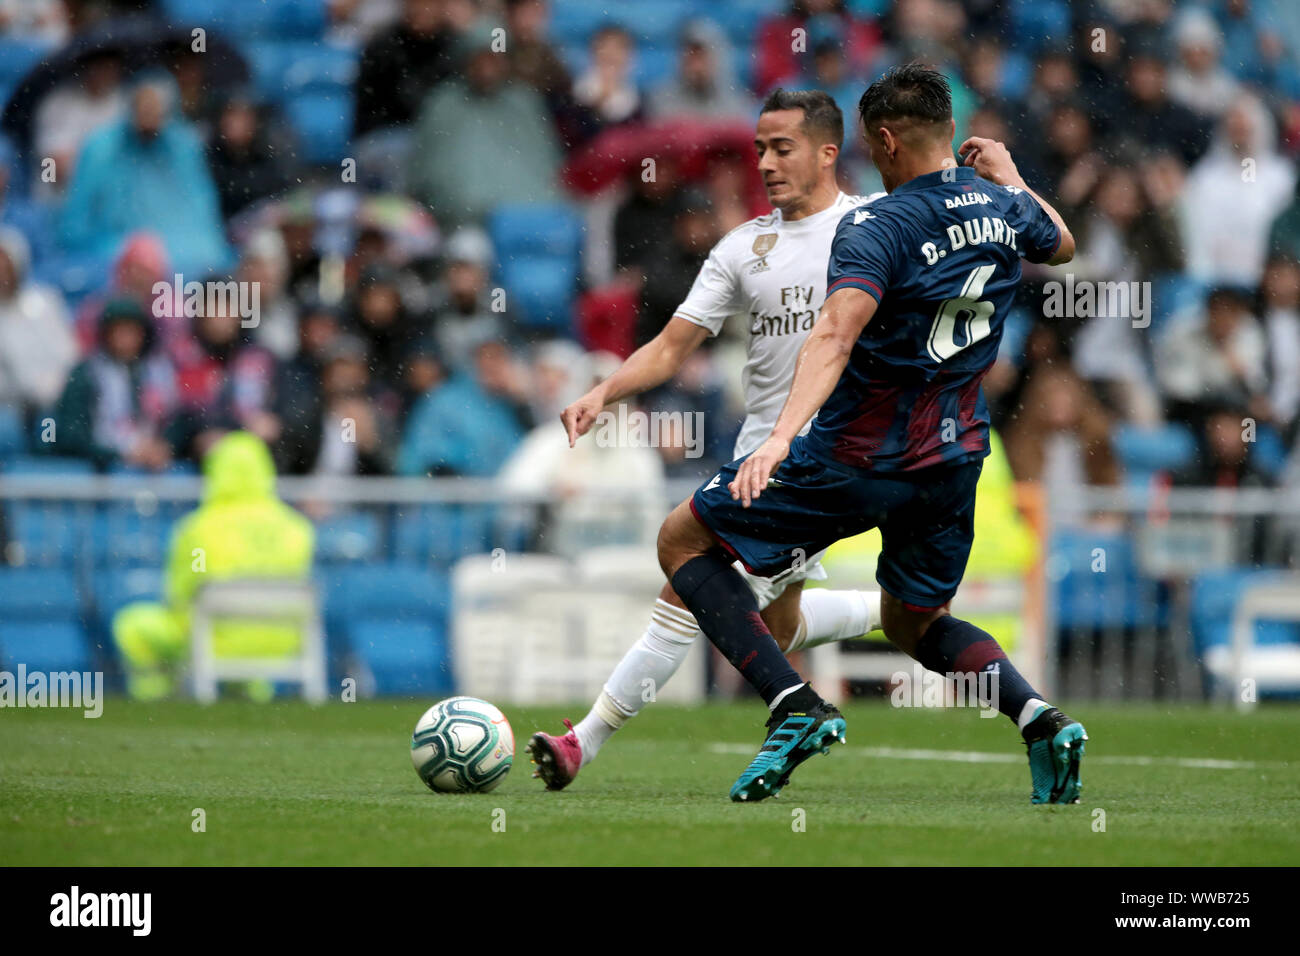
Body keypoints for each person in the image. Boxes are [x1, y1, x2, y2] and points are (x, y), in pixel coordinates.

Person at [653, 65, 1086, 804]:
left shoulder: (877, 223)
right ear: (949, 130)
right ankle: (1039, 717)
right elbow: (1065, 246)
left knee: (682, 540)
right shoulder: (1004, 205)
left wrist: (779, 438)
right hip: (953, 456)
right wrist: (1012, 175)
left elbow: (834, 332)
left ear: (885, 141)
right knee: (915, 622)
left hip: (857, 453)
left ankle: (791, 707)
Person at [527, 90, 887, 791]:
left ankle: (585, 741)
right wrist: (604, 392)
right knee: (770, 627)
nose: (768, 163)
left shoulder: (874, 228)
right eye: (760, 150)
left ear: (825, 152)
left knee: (682, 570)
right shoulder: (743, 248)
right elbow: (671, 346)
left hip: (815, 458)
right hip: (760, 453)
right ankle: (899, 611)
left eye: (782, 148)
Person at [112, 432, 315, 700]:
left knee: (130, 626)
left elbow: (181, 594)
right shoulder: (297, 528)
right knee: (249, 635)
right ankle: (252, 700)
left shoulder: (197, 529)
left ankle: (157, 704)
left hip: (215, 636)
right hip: (280, 641)